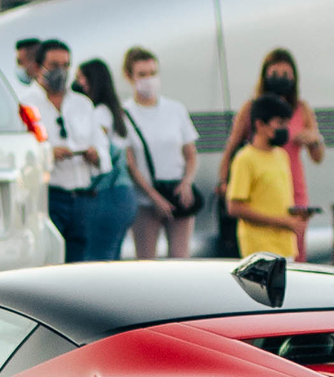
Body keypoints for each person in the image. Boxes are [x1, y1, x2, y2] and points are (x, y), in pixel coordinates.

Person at [215, 48, 322, 257]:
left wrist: (314, 140)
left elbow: (317, 157)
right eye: (274, 74)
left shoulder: (302, 109)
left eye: (285, 75)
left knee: (296, 243)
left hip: (290, 182)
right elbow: (232, 145)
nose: (280, 80)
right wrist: (223, 181)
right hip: (260, 183)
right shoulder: (253, 108)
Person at [22, 39, 112, 263]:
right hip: (49, 196)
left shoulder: (81, 103)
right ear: (39, 66)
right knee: (49, 261)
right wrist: (49, 154)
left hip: (81, 198)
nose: (60, 71)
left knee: (80, 264)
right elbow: (22, 153)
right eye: (54, 65)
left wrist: (95, 154)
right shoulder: (25, 104)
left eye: (65, 65)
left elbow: (102, 147)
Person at [120, 46, 201, 259]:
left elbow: (190, 153)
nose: (149, 79)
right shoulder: (125, 113)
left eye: (152, 73)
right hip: (146, 199)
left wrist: (186, 183)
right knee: (146, 261)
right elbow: (131, 164)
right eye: (142, 75)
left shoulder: (175, 109)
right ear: (130, 77)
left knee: (180, 257)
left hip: (177, 193)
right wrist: (154, 197)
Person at [69, 57, 143, 262]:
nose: (76, 84)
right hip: (124, 194)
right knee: (112, 258)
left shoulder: (99, 113)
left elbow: (98, 149)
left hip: (106, 194)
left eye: (80, 78)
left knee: (97, 259)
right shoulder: (115, 111)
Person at [223, 96, 300, 259]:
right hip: (259, 250)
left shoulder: (281, 156)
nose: (284, 129)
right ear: (260, 125)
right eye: (279, 123)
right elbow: (235, 207)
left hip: (285, 247)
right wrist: (281, 222)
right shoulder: (245, 159)